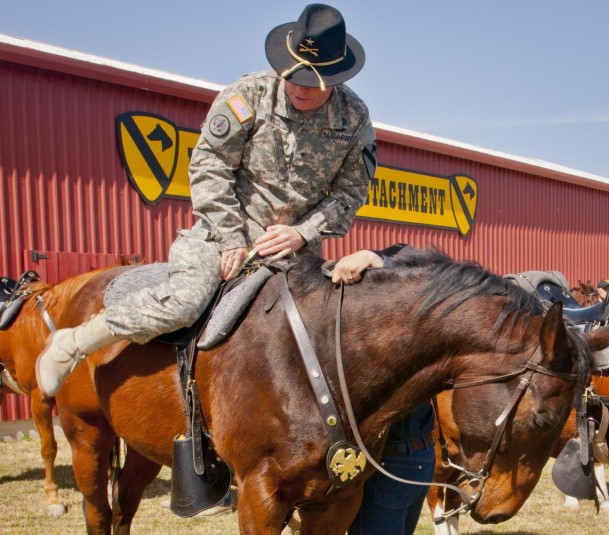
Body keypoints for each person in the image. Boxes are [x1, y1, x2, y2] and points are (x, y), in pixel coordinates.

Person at [36, 4, 376, 398]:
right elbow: (209, 164)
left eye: (310, 80)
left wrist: (303, 233)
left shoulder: (354, 119)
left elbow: (350, 193)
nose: (298, 87)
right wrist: (230, 236)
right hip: (221, 235)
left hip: (293, 251)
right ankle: (73, 344)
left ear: (334, 77)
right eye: (292, 74)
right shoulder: (248, 95)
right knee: (184, 302)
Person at [327, 248, 440, 535]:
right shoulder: (424, 329)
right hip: (416, 462)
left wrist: (376, 258)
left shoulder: (399, 341)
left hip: (396, 463)